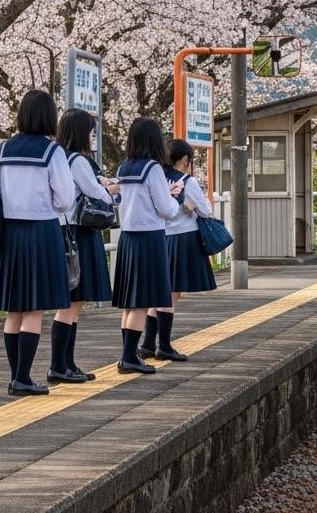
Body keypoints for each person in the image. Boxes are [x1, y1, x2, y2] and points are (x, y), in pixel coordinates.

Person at [0, 89, 75, 397]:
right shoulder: (51, 152)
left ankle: (17, 376)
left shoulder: (3, 149)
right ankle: (23, 378)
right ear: (49, 116)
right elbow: (66, 199)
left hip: (11, 233)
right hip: (41, 231)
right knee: (35, 308)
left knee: (15, 309)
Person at [48, 108, 119, 383]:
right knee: (72, 303)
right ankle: (58, 365)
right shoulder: (77, 160)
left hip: (66, 230)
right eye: (90, 131)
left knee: (73, 303)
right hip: (80, 232)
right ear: (80, 132)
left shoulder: (60, 157)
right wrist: (110, 189)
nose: (93, 136)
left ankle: (67, 364)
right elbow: (94, 192)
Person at [111, 117, 184, 374]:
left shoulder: (124, 167)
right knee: (142, 300)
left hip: (128, 238)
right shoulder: (152, 168)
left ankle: (127, 354)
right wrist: (173, 196)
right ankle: (129, 358)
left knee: (131, 301)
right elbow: (166, 209)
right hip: (149, 237)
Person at [140, 139, 216, 362]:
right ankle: (163, 346)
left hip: (162, 237)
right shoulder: (187, 181)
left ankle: (147, 344)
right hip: (183, 239)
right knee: (171, 295)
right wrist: (193, 207)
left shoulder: (159, 178)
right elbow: (206, 211)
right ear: (185, 159)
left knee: (162, 293)